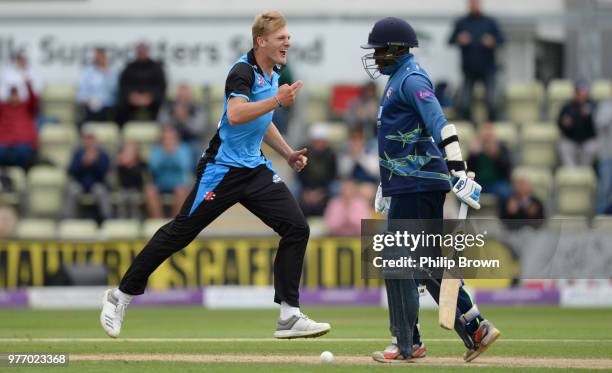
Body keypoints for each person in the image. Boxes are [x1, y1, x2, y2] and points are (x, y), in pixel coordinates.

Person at [100, 10, 330, 340]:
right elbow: (236, 115)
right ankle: (120, 295)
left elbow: (261, 123)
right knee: (179, 233)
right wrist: (277, 101)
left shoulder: (273, 73)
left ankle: (289, 315)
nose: (288, 42)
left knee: (296, 227)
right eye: (282, 38)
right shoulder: (242, 71)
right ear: (261, 41)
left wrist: (288, 153)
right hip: (222, 170)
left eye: (288, 37)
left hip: (254, 169)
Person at [361, 17, 500, 363]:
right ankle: (475, 327)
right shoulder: (399, 79)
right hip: (408, 183)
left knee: (397, 260)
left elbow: (440, 123)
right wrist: (387, 183)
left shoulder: (412, 78)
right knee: (425, 264)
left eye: (380, 50)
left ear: (396, 49)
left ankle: (406, 344)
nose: (376, 57)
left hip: (419, 183)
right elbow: (401, 140)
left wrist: (459, 169)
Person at [448, 0, 504, 122]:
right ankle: (469, 129)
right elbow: (450, 40)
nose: (474, 5)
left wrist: (492, 41)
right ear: (469, 4)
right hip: (469, 69)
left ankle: (491, 128)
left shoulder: (490, 22)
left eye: (476, 2)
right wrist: (459, 39)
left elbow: (502, 40)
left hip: (488, 69)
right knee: (465, 103)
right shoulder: (462, 22)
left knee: (492, 102)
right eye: (472, 3)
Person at [64, 126, 112, 221]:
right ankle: (68, 220)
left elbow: (104, 172)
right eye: (87, 138)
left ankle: (107, 220)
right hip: (80, 183)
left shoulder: (102, 154)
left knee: (101, 191)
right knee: (72, 190)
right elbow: (71, 171)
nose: (89, 140)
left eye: (91, 137)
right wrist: (83, 163)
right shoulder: (78, 153)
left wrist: (95, 162)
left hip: (96, 184)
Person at [143, 126, 192, 218]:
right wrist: (165, 153)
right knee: (149, 190)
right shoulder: (157, 149)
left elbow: (185, 166)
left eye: (171, 138)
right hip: (160, 183)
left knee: (181, 191)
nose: (168, 141)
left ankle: (174, 224)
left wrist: (173, 154)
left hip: (179, 183)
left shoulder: (184, 149)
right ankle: (158, 222)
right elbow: (153, 167)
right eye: (165, 138)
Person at [116, 43, 167, 127]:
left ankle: (159, 131)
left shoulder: (156, 67)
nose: (142, 53)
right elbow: (123, 85)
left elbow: (161, 85)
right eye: (140, 51)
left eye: (144, 50)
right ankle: (123, 132)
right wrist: (131, 96)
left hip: (151, 100)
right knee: (121, 107)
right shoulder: (129, 67)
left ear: (148, 51)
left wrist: (151, 96)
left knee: (162, 106)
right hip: (132, 100)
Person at [296, 123, 337, 217]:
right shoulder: (303, 153)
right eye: (316, 140)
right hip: (306, 188)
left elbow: (332, 176)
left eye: (321, 141)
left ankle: (333, 218)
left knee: (335, 188)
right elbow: (299, 174)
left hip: (324, 188)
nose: (319, 143)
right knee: (292, 189)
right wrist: (306, 192)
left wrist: (321, 192)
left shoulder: (331, 155)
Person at [157, 82, 208, 156]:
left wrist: (185, 120)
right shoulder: (169, 106)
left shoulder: (197, 108)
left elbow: (199, 128)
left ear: (190, 96)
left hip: (191, 140)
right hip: (172, 140)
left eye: (185, 96)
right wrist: (174, 118)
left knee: (196, 148)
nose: (183, 98)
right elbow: (161, 122)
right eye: (181, 96)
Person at [467, 122, 512, 201]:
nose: (487, 136)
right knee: (463, 193)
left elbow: (507, 169)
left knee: (505, 193)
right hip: (478, 182)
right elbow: (468, 169)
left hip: (496, 183)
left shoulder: (502, 148)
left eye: (490, 134)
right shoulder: (476, 147)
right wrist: (473, 155)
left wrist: (497, 155)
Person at [557, 81, 598, 167]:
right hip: (571, 140)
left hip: (587, 141)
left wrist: (589, 117)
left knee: (592, 146)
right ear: (575, 93)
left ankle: (585, 171)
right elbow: (559, 122)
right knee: (563, 146)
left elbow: (597, 126)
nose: (582, 95)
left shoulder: (592, 105)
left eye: (584, 93)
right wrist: (564, 123)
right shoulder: (568, 106)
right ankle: (572, 173)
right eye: (580, 93)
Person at [0, 83, 38, 169]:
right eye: (12, 94)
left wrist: (28, 84)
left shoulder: (27, 108)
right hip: (4, 145)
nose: (14, 97)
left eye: (16, 94)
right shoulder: (3, 108)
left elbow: (33, 100)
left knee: (24, 152)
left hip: (23, 145)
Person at [76, 47, 118, 126]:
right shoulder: (87, 72)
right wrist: (89, 101)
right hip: (91, 105)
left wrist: (106, 73)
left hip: (109, 106)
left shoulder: (113, 72)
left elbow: (115, 90)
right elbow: (81, 93)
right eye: (97, 57)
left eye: (102, 56)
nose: (99, 59)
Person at [116, 141, 148, 219]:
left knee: (133, 198)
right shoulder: (121, 167)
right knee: (122, 197)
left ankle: (135, 219)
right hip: (124, 189)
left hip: (137, 189)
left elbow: (141, 179)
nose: (129, 154)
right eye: (127, 151)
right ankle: (121, 219)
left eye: (132, 151)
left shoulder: (141, 165)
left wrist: (133, 165)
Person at [594, 86, 612, 213]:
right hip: (607, 156)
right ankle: (600, 217)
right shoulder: (605, 106)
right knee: (604, 189)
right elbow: (599, 124)